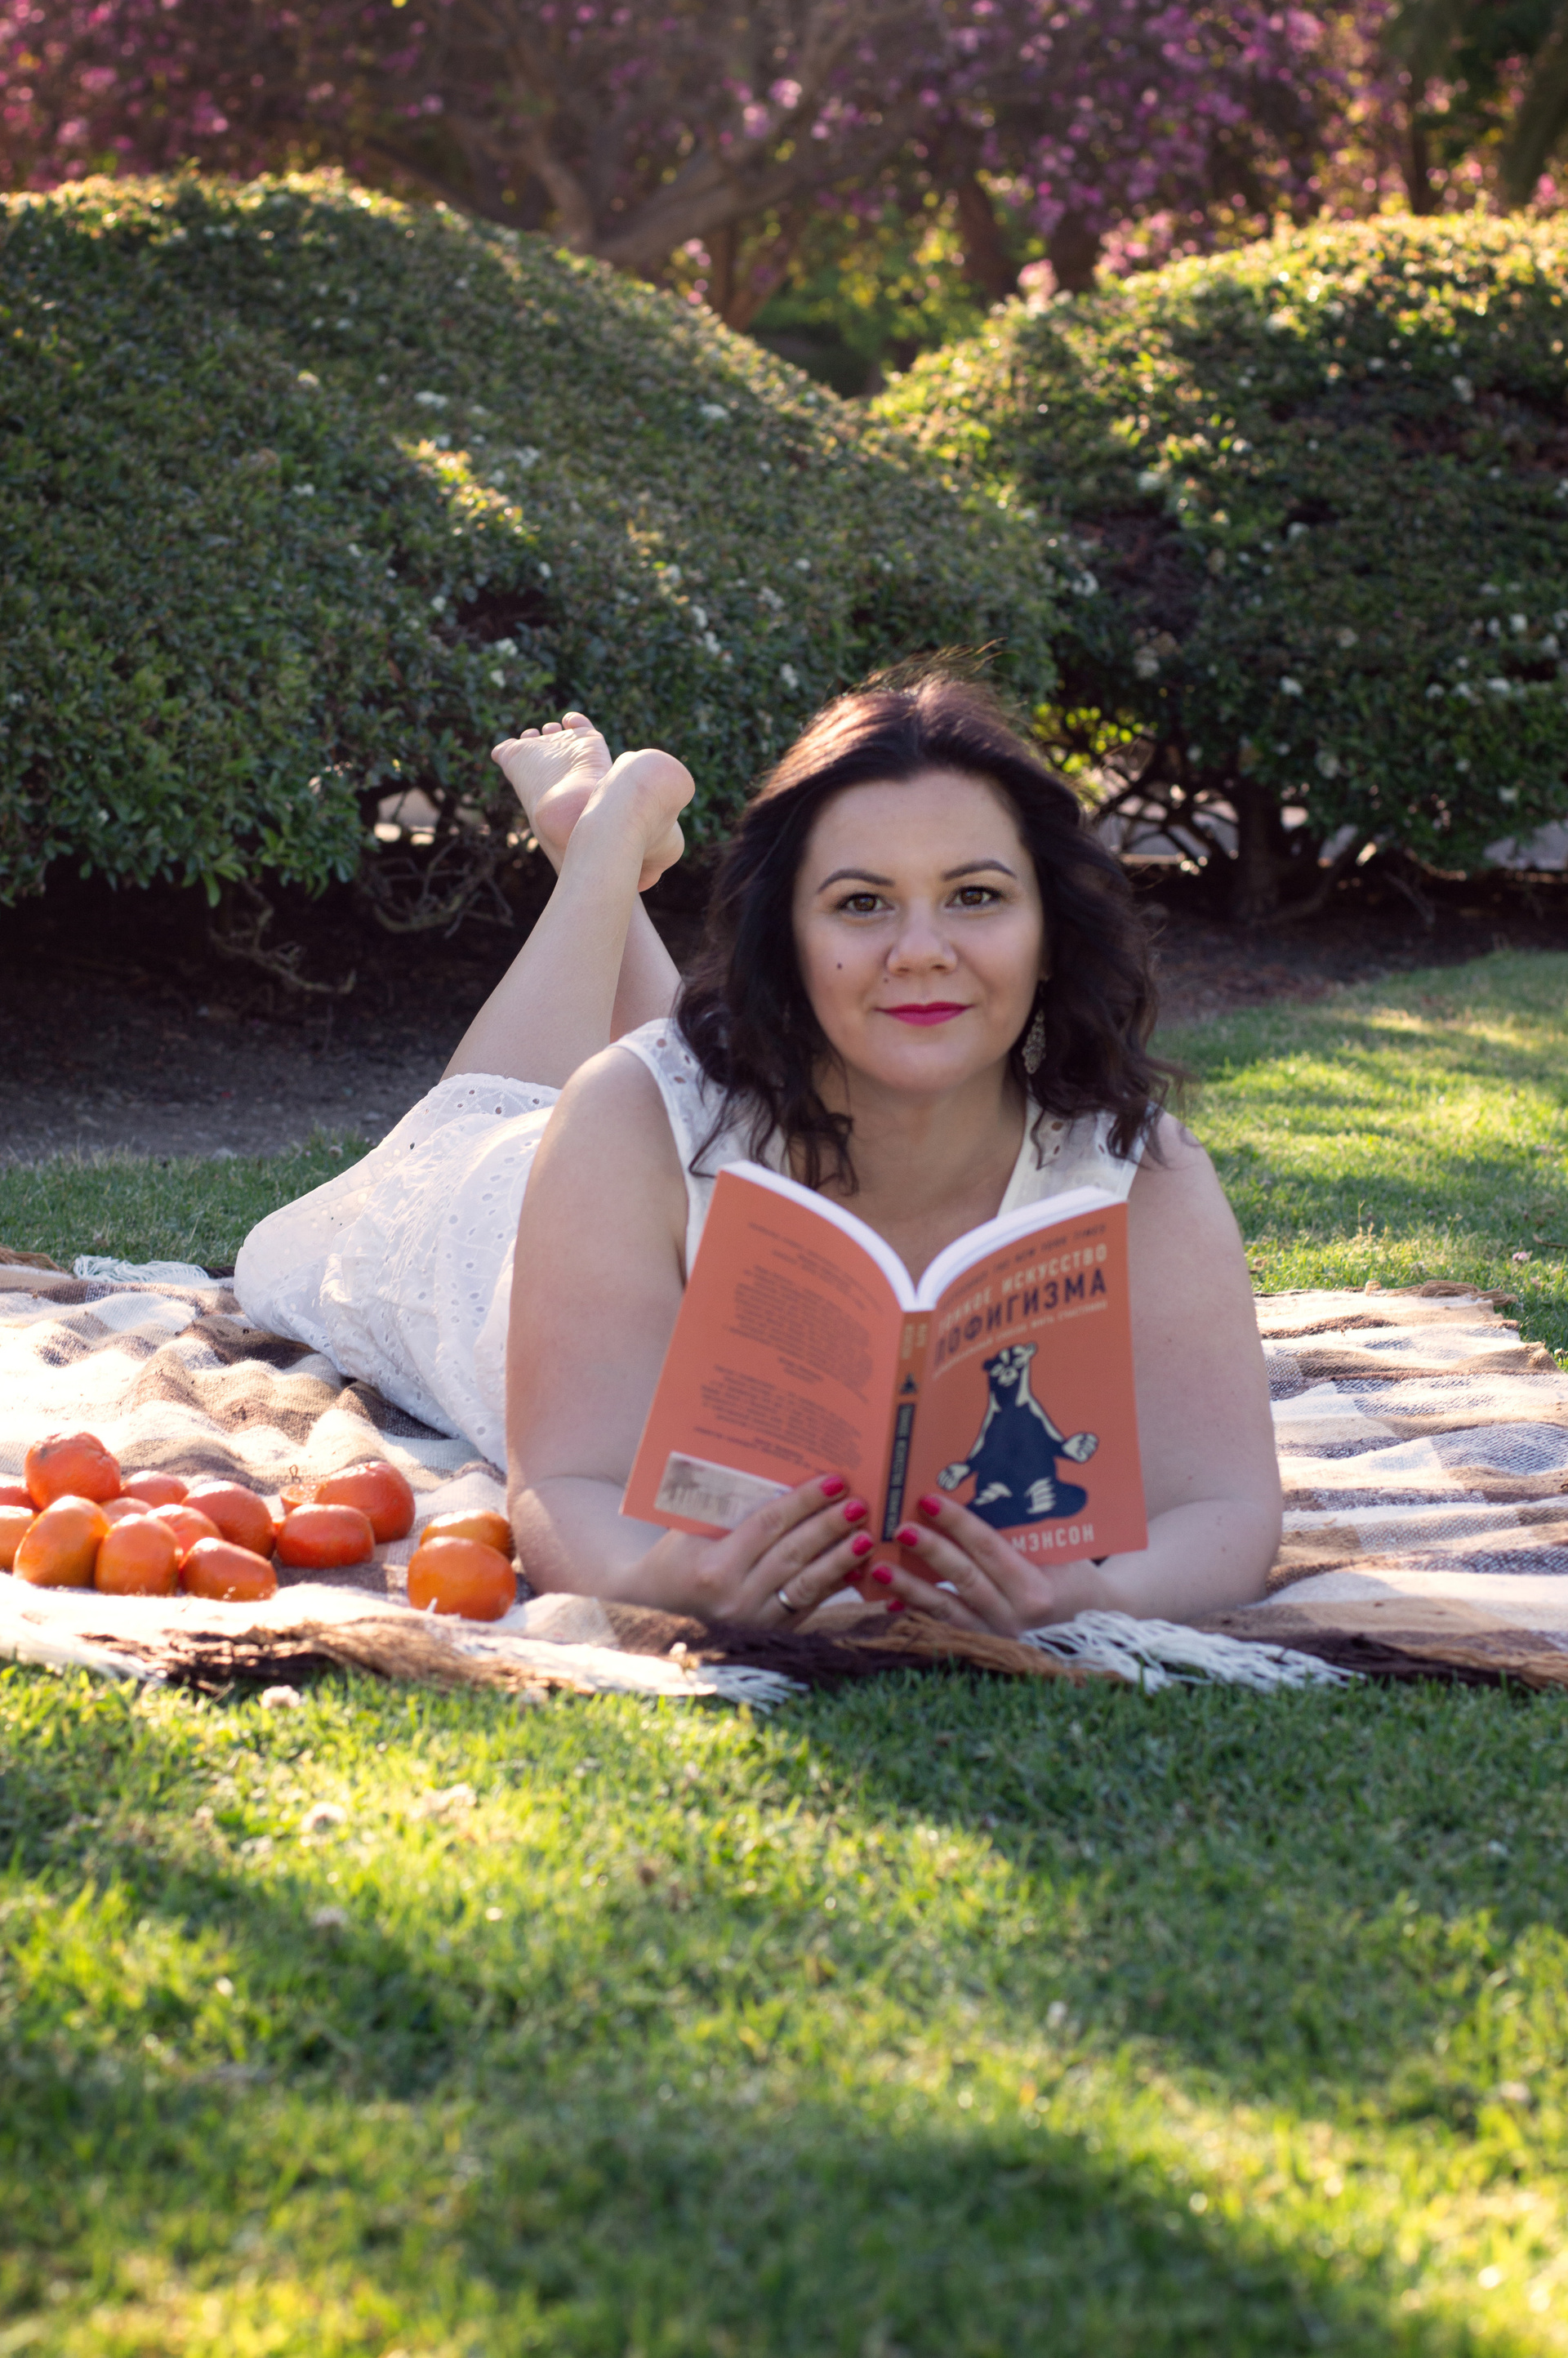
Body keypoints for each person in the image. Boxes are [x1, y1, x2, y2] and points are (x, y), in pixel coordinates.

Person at [237, 675, 1281, 1635]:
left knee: (708, 1071)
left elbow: (1227, 1506)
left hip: (718, 1121)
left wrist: (1101, 1596)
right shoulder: (623, 1124)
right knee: (462, 1132)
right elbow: (568, 1483)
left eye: (976, 895)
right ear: (786, 935)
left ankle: (598, 845)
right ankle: (599, 850)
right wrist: (660, 1582)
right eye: (861, 902)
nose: (923, 951)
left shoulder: (1138, 1170)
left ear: (1051, 928)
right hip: (499, 1223)